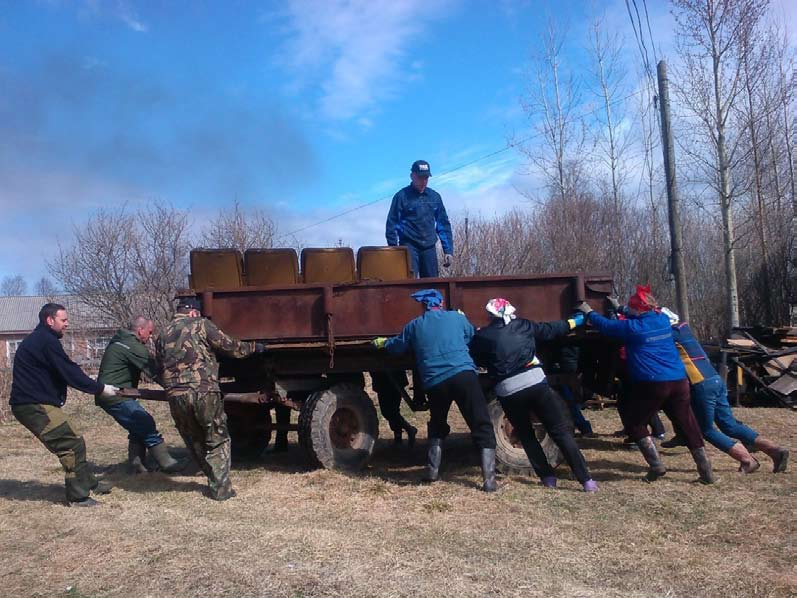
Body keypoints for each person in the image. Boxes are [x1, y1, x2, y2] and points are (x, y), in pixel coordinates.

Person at [576, 285, 715, 484]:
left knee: (635, 423)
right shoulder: (662, 320)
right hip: (679, 381)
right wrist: (620, 308)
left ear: (639, 310)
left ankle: (656, 466)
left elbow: (607, 326)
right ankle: (706, 472)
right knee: (688, 424)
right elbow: (635, 315)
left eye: (632, 308)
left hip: (654, 384)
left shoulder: (632, 329)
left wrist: (589, 312)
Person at [373, 289, 497, 492]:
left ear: (424, 306)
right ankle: (489, 481)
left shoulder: (415, 325)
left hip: (435, 381)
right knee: (480, 421)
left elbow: (397, 346)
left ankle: (432, 472)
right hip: (463, 375)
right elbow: (471, 335)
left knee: (438, 423)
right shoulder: (456, 318)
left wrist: (382, 342)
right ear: (440, 303)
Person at [469, 298, 598, 492]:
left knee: (526, 436)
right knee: (560, 432)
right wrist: (575, 321)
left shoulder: (484, 336)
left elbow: (476, 355)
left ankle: (548, 478)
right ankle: (586, 481)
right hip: (536, 384)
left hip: (508, 391)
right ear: (511, 310)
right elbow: (551, 330)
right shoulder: (523, 325)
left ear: (490, 315)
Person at [156, 297, 266, 501]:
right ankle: (221, 489)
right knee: (218, 438)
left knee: (195, 439)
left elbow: (158, 366)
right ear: (193, 312)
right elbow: (230, 346)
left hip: (175, 395)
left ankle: (211, 477)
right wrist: (255, 348)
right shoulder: (201, 325)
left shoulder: (162, 333)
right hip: (203, 391)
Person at [10, 303, 118, 506]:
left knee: (75, 438)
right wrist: (100, 388)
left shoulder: (41, 340)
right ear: (50, 320)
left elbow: (64, 371)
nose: (67, 324)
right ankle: (78, 497)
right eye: (63, 320)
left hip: (34, 403)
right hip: (33, 405)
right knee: (71, 442)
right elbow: (69, 372)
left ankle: (88, 483)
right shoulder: (45, 341)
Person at [665, 308, 789, 473]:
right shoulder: (682, 330)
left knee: (706, 429)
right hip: (714, 380)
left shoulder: (669, 335)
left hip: (701, 383)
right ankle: (775, 450)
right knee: (729, 425)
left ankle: (747, 460)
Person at [96, 316, 183, 474]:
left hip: (111, 393)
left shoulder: (121, 341)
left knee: (136, 426)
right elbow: (155, 372)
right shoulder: (132, 346)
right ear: (140, 330)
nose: (150, 337)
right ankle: (167, 463)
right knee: (145, 422)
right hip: (115, 395)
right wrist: (176, 388)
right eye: (149, 332)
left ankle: (137, 466)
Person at [385, 159, 453, 278]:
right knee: (409, 284)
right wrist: (395, 252)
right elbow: (392, 226)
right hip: (408, 246)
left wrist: (448, 251)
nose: (423, 181)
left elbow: (443, 224)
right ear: (412, 176)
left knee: (432, 286)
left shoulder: (434, 197)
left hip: (429, 247)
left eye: (426, 178)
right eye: (420, 177)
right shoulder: (401, 197)